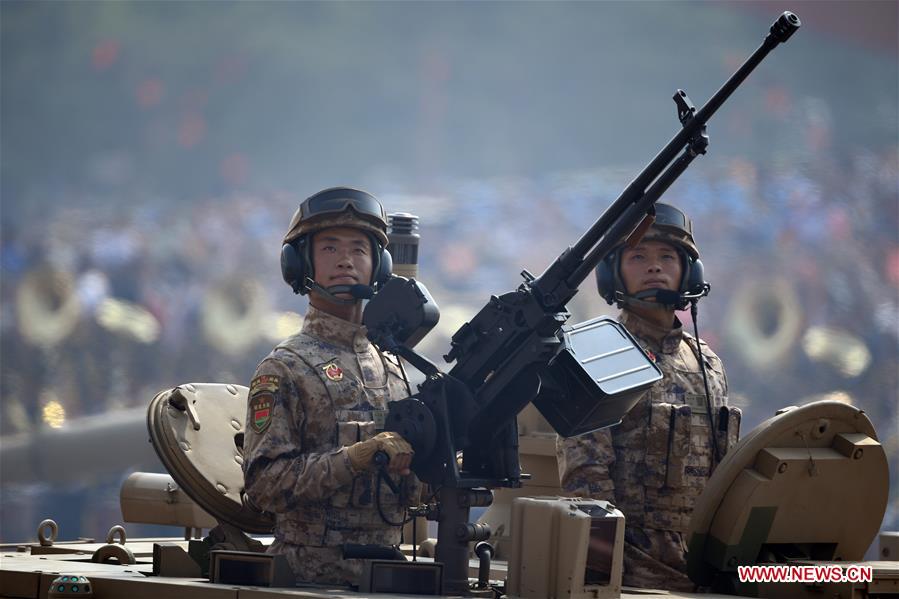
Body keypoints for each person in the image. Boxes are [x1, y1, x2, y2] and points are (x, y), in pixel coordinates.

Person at [556, 203, 740, 591]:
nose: (654, 267)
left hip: (703, 568)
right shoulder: (596, 353)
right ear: (614, 272)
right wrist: (605, 574)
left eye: (667, 257)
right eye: (638, 256)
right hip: (633, 575)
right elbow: (586, 479)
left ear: (689, 271)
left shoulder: (708, 362)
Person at [242, 187, 420, 587]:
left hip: (389, 576)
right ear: (300, 264)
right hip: (307, 580)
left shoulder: (394, 367)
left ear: (380, 266)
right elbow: (264, 486)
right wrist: (355, 458)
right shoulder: (285, 368)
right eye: (329, 249)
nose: (345, 261)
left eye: (359, 250)